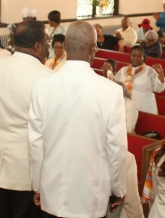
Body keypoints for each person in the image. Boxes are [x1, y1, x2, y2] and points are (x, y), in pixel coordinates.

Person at [29, 21, 127, 217]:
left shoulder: (41, 87)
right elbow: (116, 148)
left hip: (53, 191)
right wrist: (118, 189)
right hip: (91, 195)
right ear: (94, 49)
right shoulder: (111, 91)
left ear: (64, 47)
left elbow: (35, 144)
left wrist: (37, 185)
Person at [0, 21, 52, 217]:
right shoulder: (47, 77)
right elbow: (50, 125)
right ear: (37, 45)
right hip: (28, 167)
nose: (49, 47)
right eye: (47, 41)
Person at [115, 45, 165, 114]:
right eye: (133, 55)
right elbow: (114, 85)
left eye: (139, 56)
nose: (136, 58)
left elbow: (159, 88)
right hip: (126, 106)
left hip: (144, 107)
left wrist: (161, 73)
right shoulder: (123, 70)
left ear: (143, 57)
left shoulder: (149, 71)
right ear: (130, 56)